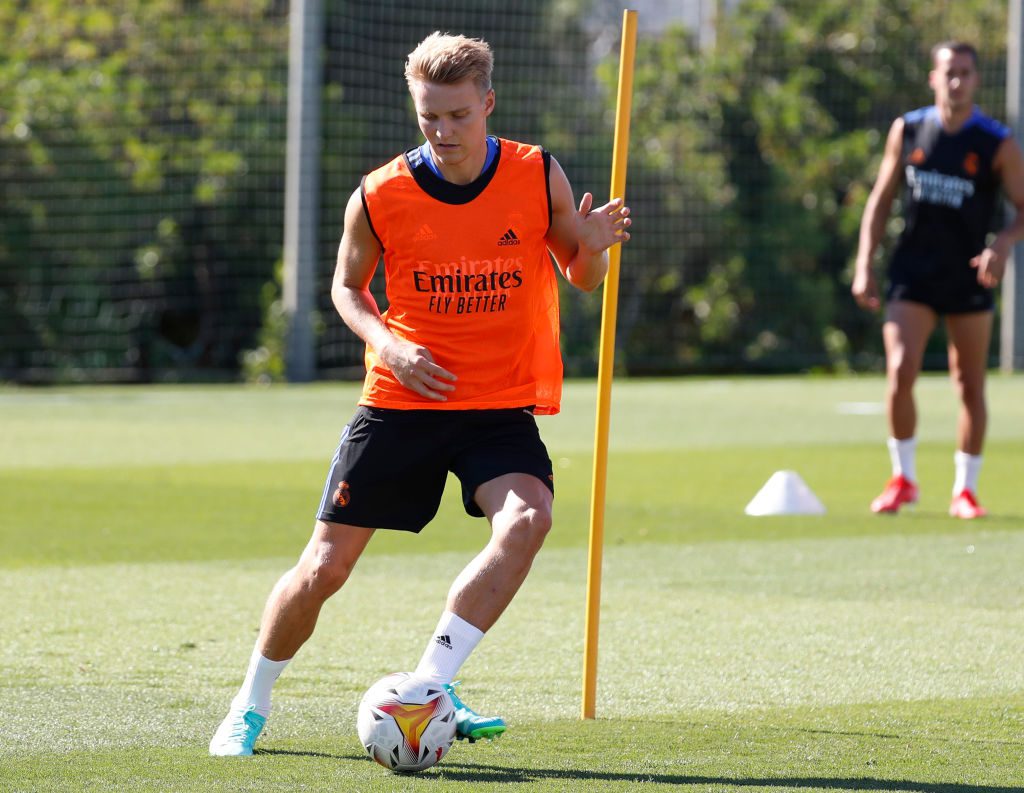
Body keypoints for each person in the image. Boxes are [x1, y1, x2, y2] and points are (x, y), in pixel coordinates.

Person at [209, 31, 631, 756]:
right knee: (323, 568)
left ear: (487, 104)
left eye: (458, 115)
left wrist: (591, 244)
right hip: (401, 402)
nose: (443, 132)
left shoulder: (537, 174)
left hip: (496, 405)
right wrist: (390, 345)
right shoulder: (381, 193)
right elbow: (346, 287)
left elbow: (580, 276)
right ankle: (249, 703)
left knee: (528, 519)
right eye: (429, 116)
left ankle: (432, 682)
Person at [852, 40, 1024, 519]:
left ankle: (965, 491)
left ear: (975, 80)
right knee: (901, 369)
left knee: (969, 385)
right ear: (933, 77)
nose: (956, 81)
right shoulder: (908, 130)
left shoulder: (996, 143)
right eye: (949, 72)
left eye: (965, 73)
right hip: (913, 273)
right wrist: (865, 260)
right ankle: (903, 478)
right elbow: (880, 200)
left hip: (968, 277)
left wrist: (1002, 244)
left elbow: (1022, 209)